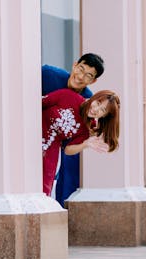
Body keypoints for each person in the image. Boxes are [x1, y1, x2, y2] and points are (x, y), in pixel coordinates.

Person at [41, 53, 105, 205]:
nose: (81, 76)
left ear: (93, 80)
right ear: (74, 65)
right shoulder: (48, 74)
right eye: (81, 69)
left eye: (88, 75)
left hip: (53, 146)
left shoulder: (87, 103)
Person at [42, 89, 120, 196]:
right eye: (97, 103)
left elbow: (68, 150)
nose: (95, 109)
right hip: (32, 134)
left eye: (102, 110)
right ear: (94, 98)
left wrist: (85, 144)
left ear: (104, 116)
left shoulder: (86, 128)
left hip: (49, 150)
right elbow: (39, 104)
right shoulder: (69, 96)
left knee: (43, 191)